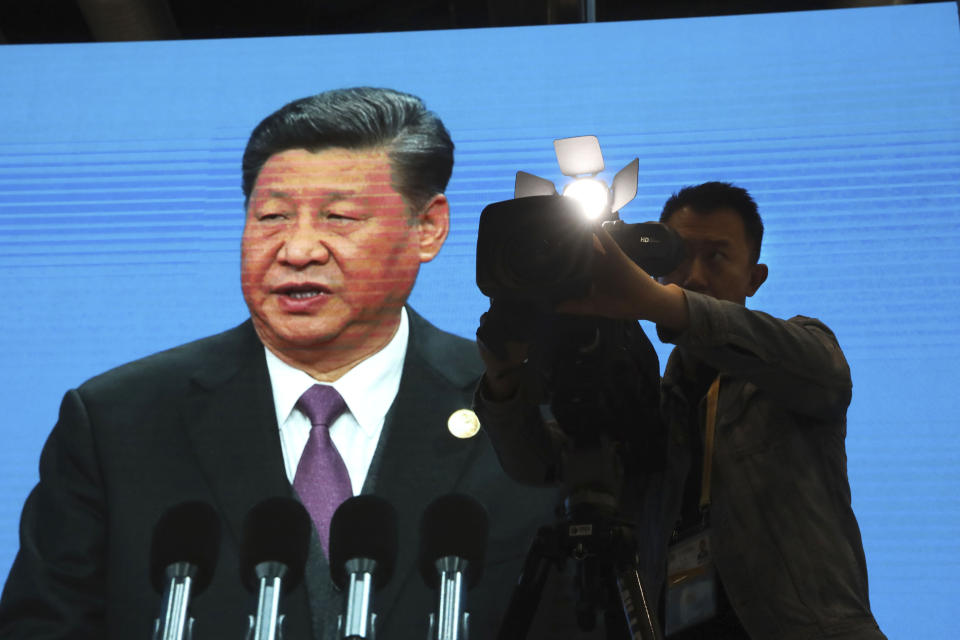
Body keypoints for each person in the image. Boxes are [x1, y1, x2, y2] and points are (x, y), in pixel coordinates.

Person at [0, 87, 554, 640]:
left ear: (427, 227)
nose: (298, 249)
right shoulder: (116, 422)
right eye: (271, 216)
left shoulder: (526, 409)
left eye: (338, 217)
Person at [475, 182, 886, 638]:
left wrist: (655, 302)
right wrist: (503, 381)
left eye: (717, 257)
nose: (693, 276)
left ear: (755, 277)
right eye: (678, 257)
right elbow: (541, 465)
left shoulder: (797, 354)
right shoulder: (652, 405)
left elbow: (822, 372)